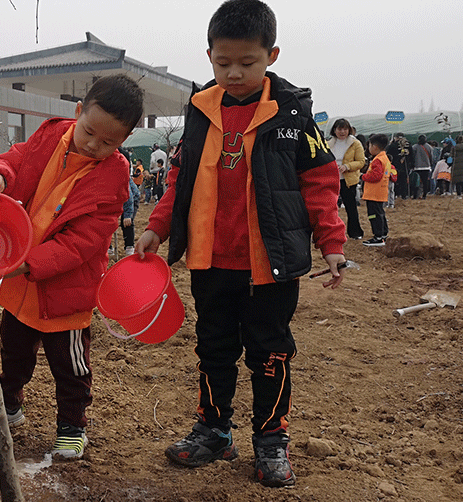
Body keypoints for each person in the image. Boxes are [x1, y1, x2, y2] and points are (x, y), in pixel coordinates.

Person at [134, 0, 346, 488]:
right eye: (221, 62)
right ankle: (214, 430)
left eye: (246, 63)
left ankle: (271, 442)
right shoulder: (199, 110)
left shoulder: (292, 115)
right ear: (208, 54)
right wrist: (157, 227)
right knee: (213, 348)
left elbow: (320, 183)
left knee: (270, 351)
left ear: (271, 55)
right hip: (210, 259)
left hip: (269, 264)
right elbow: (180, 181)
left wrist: (332, 242)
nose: (233, 73)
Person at [0, 74, 144, 461]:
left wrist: (31, 263)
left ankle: (72, 425)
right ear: (78, 112)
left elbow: (82, 243)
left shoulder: (114, 177)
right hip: (20, 279)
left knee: (70, 365)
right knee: (13, 350)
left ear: (124, 141)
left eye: (108, 142)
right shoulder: (51, 135)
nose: (94, 145)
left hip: (64, 289)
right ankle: (10, 407)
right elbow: (18, 158)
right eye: (89, 132)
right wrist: (0, 172)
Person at [328, 118, 365, 240]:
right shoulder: (328, 144)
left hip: (348, 180)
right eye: (339, 129)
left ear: (349, 130)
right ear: (334, 130)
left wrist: (347, 166)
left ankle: (355, 232)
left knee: (351, 207)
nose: (342, 131)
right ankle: (329, 232)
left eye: (345, 129)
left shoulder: (355, 143)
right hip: (332, 179)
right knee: (329, 208)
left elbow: (361, 162)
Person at [361, 134, 393, 246]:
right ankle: (383, 234)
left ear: (374, 146)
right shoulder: (385, 158)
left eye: (369, 145)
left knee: (374, 215)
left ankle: (378, 237)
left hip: (374, 193)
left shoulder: (377, 160)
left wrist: (363, 176)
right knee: (380, 213)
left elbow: (376, 176)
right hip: (381, 192)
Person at [387, 133, 412, 199]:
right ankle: (404, 195)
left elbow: (388, 154)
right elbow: (412, 155)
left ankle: (395, 194)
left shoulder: (393, 145)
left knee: (394, 180)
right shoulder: (408, 145)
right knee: (404, 181)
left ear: (396, 137)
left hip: (395, 166)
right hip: (406, 166)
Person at [411, 135, 433, 199]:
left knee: (416, 182)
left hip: (417, 167)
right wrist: (430, 164)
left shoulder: (414, 147)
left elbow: (412, 156)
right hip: (426, 167)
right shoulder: (429, 147)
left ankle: (415, 195)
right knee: (425, 182)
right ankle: (424, 195)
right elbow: (431, 157)